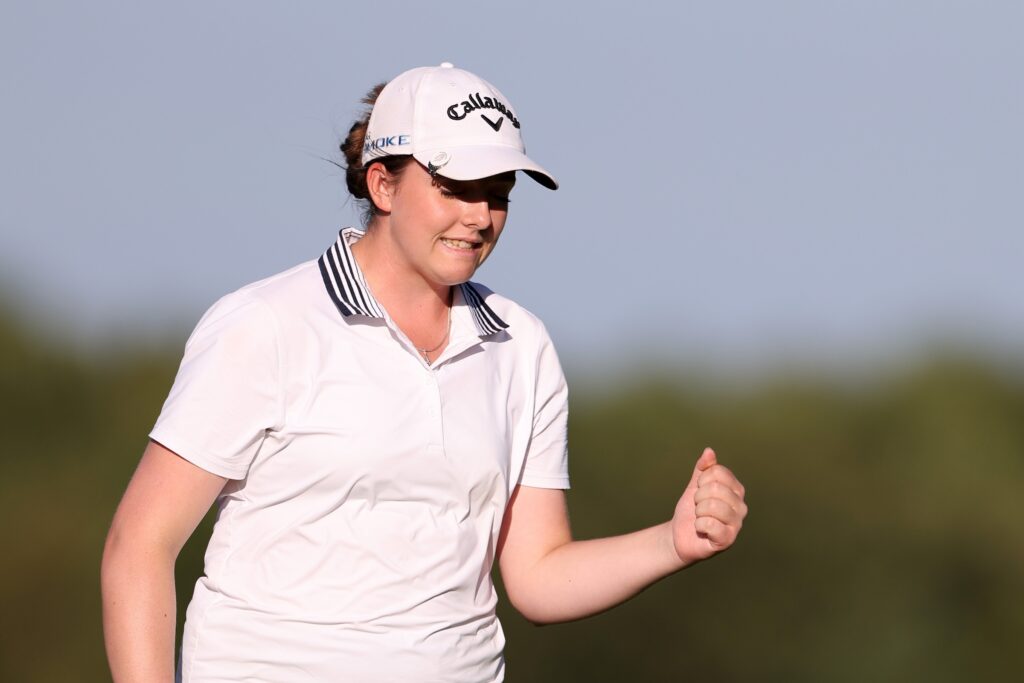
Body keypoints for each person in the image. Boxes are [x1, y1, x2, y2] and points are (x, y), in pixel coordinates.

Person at [101, 62, 748, 683]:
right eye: (455, 188)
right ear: (382, 184)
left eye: (498, 195)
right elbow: (140, 545)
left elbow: (538, 574)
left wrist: (673, 540)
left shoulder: (521, 346)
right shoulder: (265, 324)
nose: (479, 216)